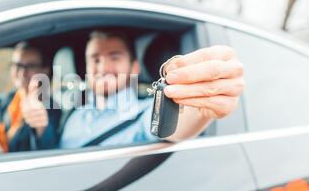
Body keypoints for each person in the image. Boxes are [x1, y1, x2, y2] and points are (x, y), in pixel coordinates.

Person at [59, 29, 244, 149]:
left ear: (135, 67)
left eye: (114, 57)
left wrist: (201, 107)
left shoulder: (144, 112)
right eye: (95, 59)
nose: (103, 68)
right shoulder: (73, 114)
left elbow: (173, 125)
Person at [0, 41, 61, 152]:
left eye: (30, 66)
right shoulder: (12, 98)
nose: (22, 72)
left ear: (45, 70)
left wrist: (41, 127)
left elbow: (47, 150)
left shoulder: (51, 109)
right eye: (17, 65)